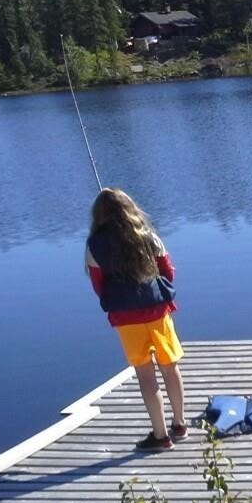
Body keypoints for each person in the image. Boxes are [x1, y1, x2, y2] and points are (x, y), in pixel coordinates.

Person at [85, 188, 187, 451]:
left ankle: (161, 436)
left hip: (126, 317)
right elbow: (168, 271)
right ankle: (180, 424)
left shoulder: (94, 244)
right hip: (157, 310)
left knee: (145, 375)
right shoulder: (147, 235)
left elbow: (98, 285)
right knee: (170, 366)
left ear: (98, 214)